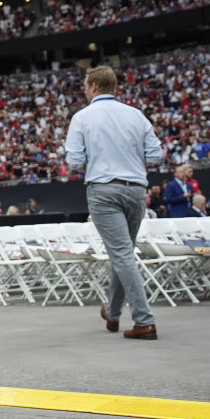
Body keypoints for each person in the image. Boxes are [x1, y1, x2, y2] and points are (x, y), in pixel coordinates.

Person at [64, 65, 162, 341]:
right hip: (136, 189)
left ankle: (144, 320)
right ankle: (114, 312)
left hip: (104, 188)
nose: (83, 90)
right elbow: (155, 155)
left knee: (122, 255)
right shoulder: (136, 115)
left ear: (94, 86)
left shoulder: (82, 117)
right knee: (124, 252)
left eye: (84, 86)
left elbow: (74, 162)